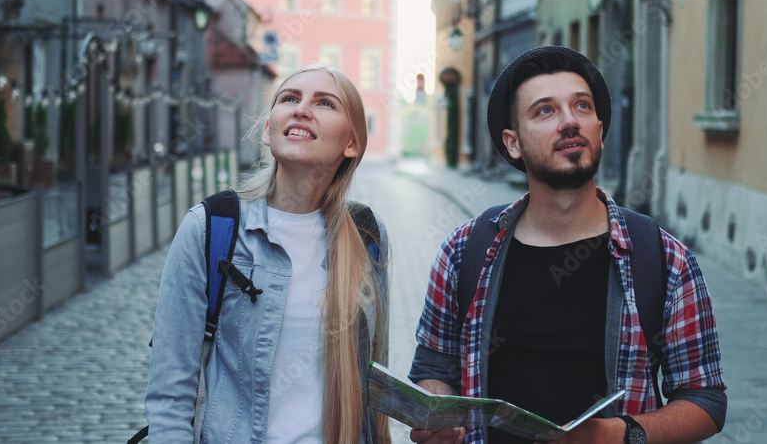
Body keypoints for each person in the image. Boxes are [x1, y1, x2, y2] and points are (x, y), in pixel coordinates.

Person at [408, 46, 726, 444]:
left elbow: (705, 399)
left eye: (582, 106)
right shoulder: (465, 251)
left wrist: (621, 434)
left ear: (599, 128)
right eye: (545, 110)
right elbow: (434, 370)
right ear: (513, 143)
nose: (570, 121)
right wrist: (436, 416)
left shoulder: (662, 258)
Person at [145, 65, 391, 443]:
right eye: (289, 98)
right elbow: (170, 394)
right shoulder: (211, 228)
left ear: (352, 143)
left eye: (325, 103)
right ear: (267, 128)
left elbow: (372, 380)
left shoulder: (367, 236)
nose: (301, 109)